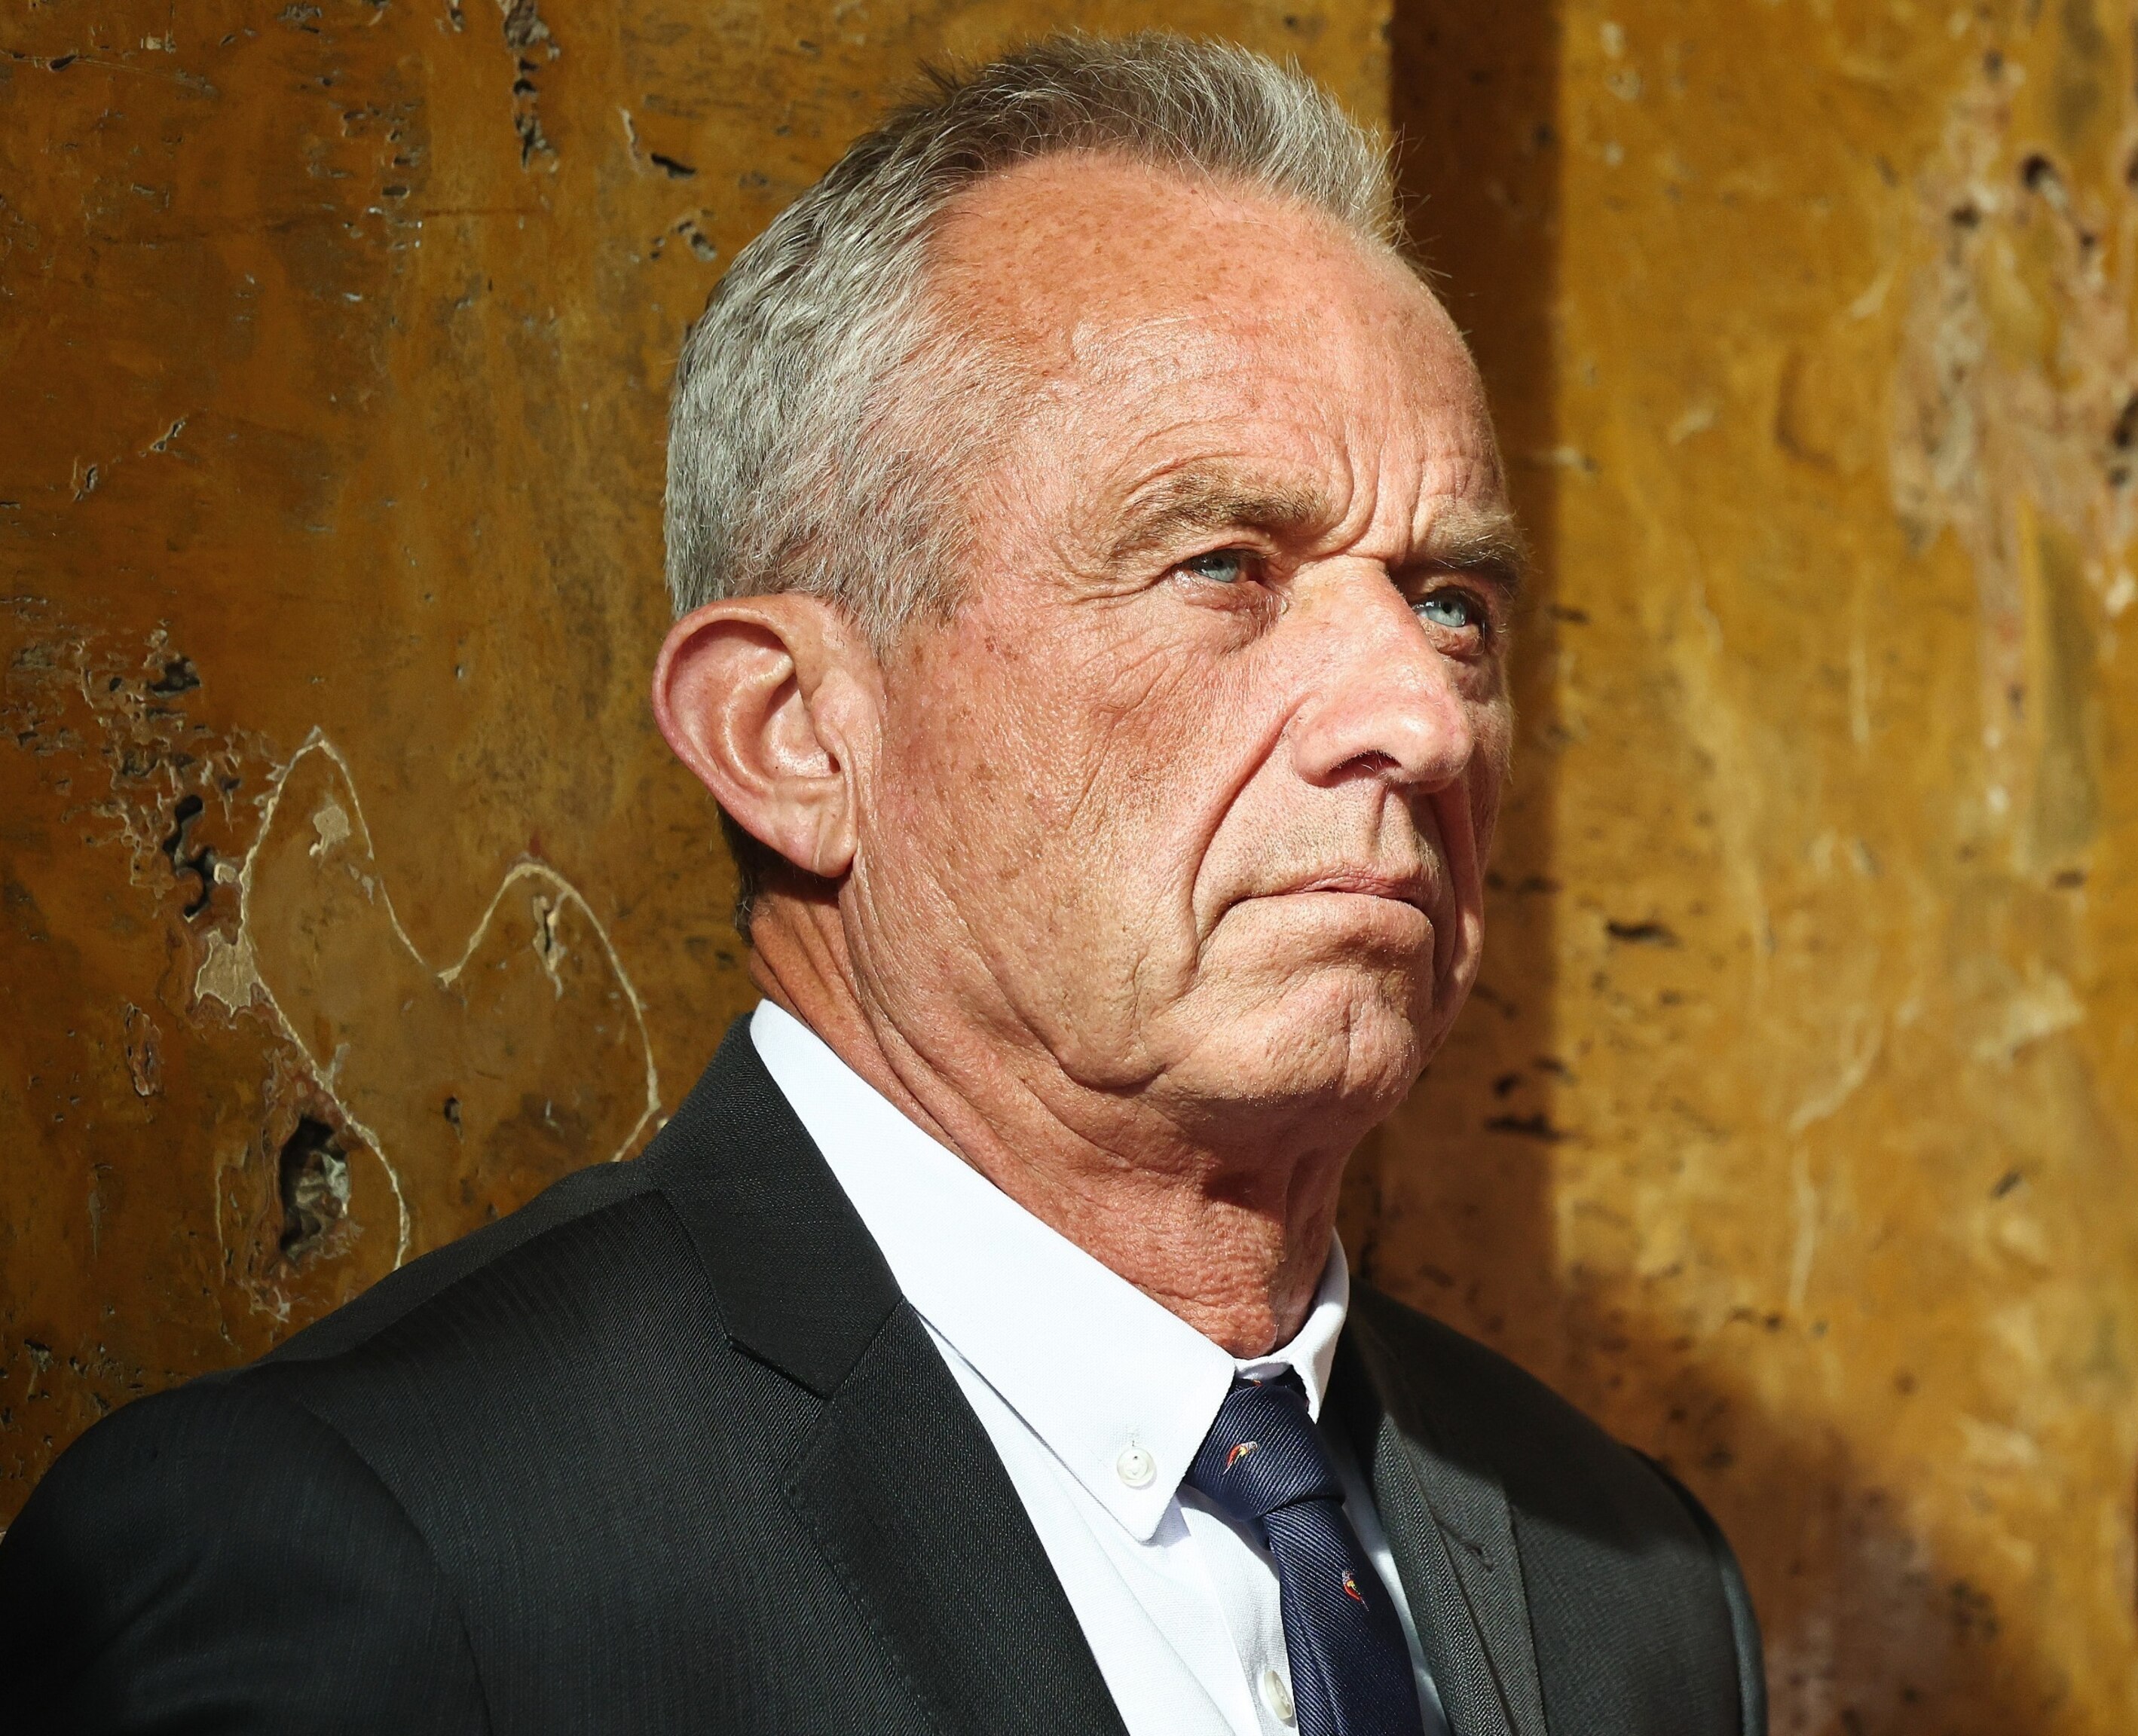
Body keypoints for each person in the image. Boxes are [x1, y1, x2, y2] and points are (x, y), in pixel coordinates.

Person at [0, 35, 1761, 1736]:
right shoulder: (373, 1556)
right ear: (790, 735)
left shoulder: (1626, 1579)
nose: (1419, 717)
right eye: (1223, 564)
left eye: (1453, 602)